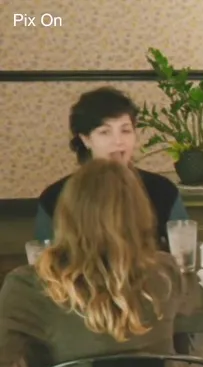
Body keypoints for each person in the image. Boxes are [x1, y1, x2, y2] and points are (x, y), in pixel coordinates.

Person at [0, 160, 203, 367]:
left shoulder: (27, 287)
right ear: (142, 214)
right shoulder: (165, 270)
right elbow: (184, 312)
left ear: (65, 214)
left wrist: (10, 362)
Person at [36, 87, 188, 250]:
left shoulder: (163, 191)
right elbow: (46, 258)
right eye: (104, 132)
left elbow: (184, 251)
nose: (118, 141)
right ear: (86, 139)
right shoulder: (55, 197)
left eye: (125, 130)